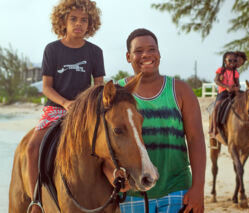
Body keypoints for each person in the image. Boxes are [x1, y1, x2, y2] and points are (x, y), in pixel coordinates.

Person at [103, 28, 206, 213]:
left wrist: (198, 188)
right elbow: (102, 146)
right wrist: (112, 174)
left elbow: (196, 140)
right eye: (139, 51)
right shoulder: (115, 93)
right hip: (132, 195)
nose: (146, 55)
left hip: (177, 190)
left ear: (159, 53)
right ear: (128, 56)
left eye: (152, 49)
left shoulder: (181, 90)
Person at [26, 0, 105, 212]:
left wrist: (84, 106)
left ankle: (117, 191)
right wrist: (65, 103)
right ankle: (36, 200)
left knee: (108, 141)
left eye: (84, 20)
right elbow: (46, 87)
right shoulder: (52, 50)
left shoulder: (95, 52)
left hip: (84, 111)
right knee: (32, 148)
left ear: (91, 23)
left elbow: (99, 86)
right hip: (56, 108)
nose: (78, 24)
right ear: (63, 21)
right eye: (73, 19)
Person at [208, 52, 240, 138]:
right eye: (230, 60)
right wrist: (226, 87)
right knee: (217, 106)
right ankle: (214, 127)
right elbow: (216, 80)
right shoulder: (221, 70)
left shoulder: (235, 72)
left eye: (234, 60)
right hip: (223, 92)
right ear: (225, 61)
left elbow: (238, 84)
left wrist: (236, 88)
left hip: (232, 92)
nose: (232, 62)